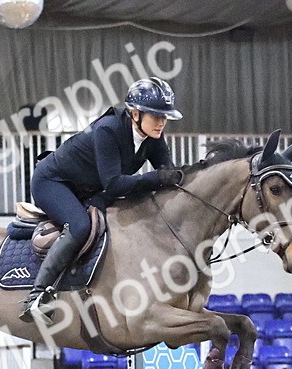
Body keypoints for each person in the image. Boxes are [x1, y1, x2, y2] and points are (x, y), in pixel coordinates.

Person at [20, 77, 185, 322]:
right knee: (80, 226)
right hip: (53, 182)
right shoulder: (108, 129)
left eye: (165, 117)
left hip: (90, 189)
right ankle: (36, 296)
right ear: (135, 113)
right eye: (156, 116)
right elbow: (115, 184)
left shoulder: (154, 136)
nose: (162, 122)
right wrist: (156, 178)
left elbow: (166, 174)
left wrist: (174, 177)